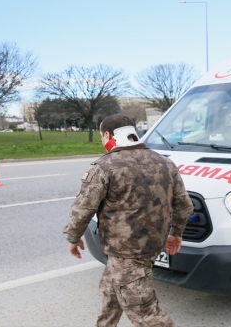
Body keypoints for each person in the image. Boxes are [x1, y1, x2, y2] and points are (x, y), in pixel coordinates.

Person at [63, 114, 194, 327]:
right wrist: (176, 234)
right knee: (111, 292)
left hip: (126, 251)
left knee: (145, 311)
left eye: (101, 136)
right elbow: (185, 205)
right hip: (151, 246)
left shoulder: (105, 166)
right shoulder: (165, 163)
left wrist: (73, 237)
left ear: (107, 135)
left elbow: (83, 208)